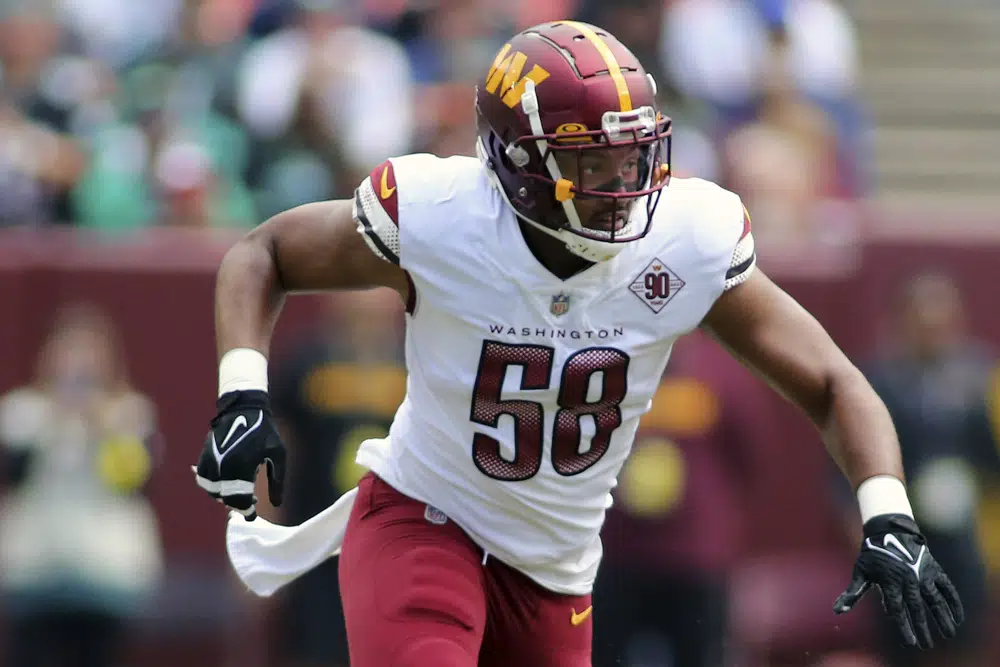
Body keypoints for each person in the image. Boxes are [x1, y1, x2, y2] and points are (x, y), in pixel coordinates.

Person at [194, 20, 963, 667]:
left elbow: (831, 379)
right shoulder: (443, 214)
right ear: (520, 164)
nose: (624, 180)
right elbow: (263, 252)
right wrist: (241, 392)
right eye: (594, 159)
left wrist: (886, 509)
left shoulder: (684, 237)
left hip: (557, 568)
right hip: (424, 520)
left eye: (633, 155)